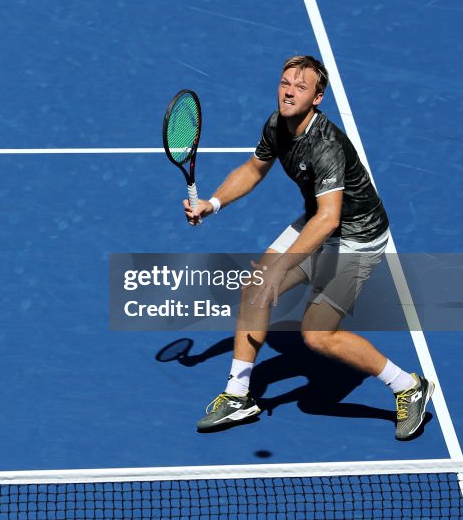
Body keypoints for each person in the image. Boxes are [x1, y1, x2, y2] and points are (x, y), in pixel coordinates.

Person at [185, 55, 434, 441]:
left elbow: (329, 220)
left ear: (317, 98)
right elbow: (254, 169)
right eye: (285, 82)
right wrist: (212, 203)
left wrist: (282, 269)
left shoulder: (326, 146)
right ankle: (238, 396)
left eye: (300, 87)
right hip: (319, 219)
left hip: (356, 237)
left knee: (318, 336)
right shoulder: (277, 123)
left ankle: (408, 386)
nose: (288, 91)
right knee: (255, 289)